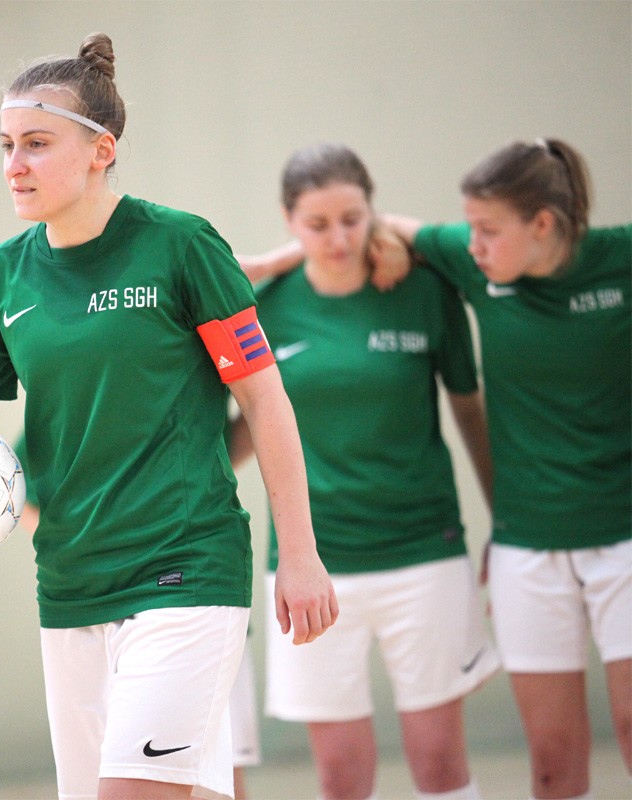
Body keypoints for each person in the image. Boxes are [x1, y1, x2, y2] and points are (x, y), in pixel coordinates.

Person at [0, 33, 337, 800]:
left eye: (36, 143)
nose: (14, 165)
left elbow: (265, 398)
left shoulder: (181, 246)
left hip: (186, 570)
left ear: (100, 150)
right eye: (6, 145)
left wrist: (303, 554)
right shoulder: (0, 277)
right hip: (70, 585)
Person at [230, 143, 500, 800]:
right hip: (312, 569)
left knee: (440, 765)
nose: (338, 239)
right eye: (318, 224)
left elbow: (469, 411)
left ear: (374, 212)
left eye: (352, 219)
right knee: (342, 779)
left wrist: (507, 517)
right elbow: (246, 430)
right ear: (289, 221)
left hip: (424, 553)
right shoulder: (264, 308)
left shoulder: (424, 293)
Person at [377, 138, 631, 800]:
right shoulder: (475, 264)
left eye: (489, 230)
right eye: (470, 229)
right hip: (528, 548)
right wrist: (387, 245)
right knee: (551, 762)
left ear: (542, 224)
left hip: (625, 538)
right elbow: (381, 225)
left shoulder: (623, 259)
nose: (475, 244)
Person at [14, 435, 263, 799]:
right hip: (88, 606)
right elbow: (18, 484)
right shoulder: (69, 421)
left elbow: (263, 411)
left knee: (215, 784)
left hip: (188, 589)